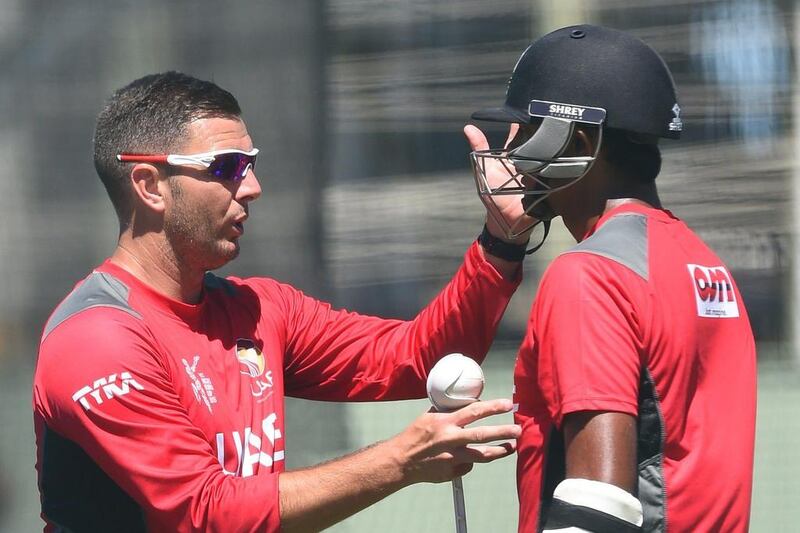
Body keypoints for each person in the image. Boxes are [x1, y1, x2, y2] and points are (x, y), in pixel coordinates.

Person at [32, 71, 533, 532]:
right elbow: (206, 515)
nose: (252, 187)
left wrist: (501, 238)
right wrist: (399, 460)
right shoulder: (96, 338)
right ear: (149, 185)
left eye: (250, 165)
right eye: (227, 167)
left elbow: (418, 357)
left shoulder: (258, 309)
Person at [468, 25, 757, 532]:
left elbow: (597, 503)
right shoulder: (704, 264)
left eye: (530, 130)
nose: (512, 153)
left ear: (579, 139)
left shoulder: (589, 274)